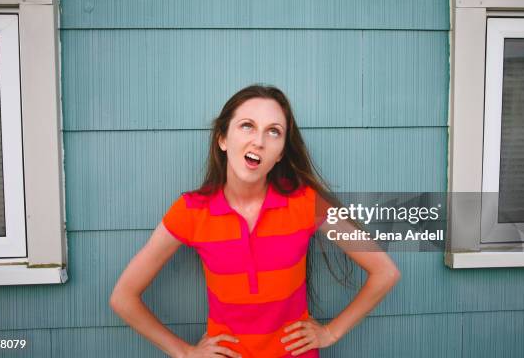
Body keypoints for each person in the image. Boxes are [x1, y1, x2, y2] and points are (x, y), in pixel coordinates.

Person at [109, 85, 401, 357]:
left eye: (273, 132)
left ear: (281, 153)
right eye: (247, 125)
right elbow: (123, 297)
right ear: (223, 139)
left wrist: (330, 333)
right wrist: (185, 352)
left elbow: (385, 272)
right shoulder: (191, 211)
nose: (258, 141)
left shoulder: (306, 203)